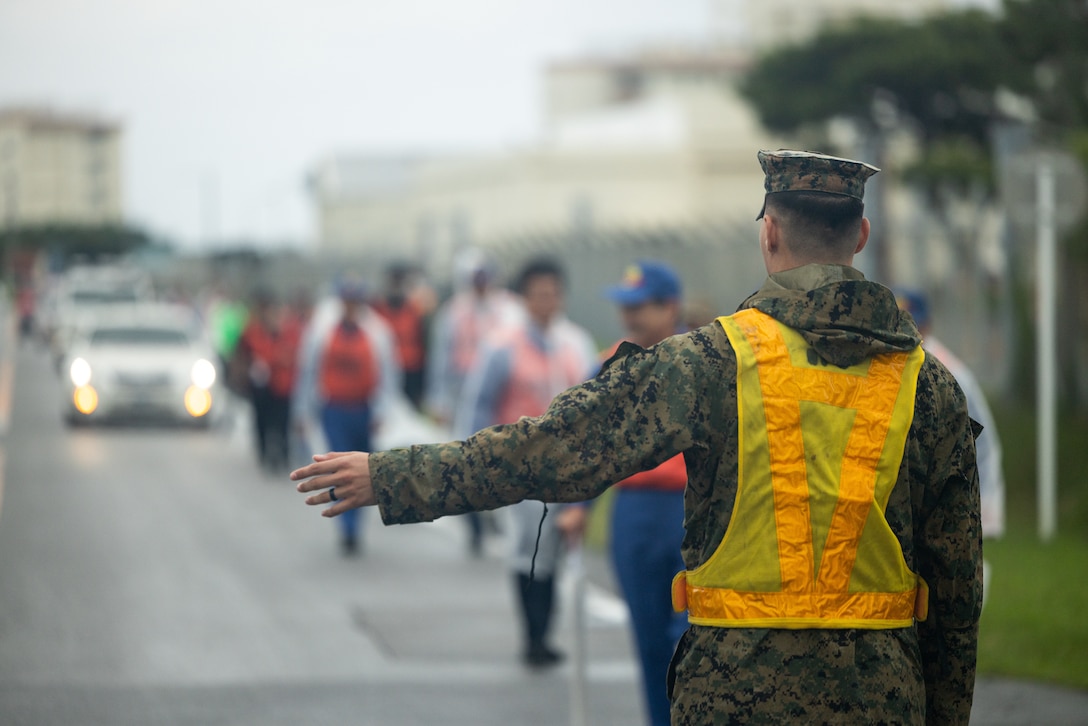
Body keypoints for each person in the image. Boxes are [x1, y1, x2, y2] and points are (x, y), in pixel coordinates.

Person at [294, 150, 983, 724]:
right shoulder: (930, 385)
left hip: (735, 699)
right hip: (884, 700)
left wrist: (390, 476)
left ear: (769, 232)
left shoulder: (709, 361)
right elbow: (956, 589)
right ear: (860, 236)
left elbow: (553, 448)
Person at [456, 257, 597, 666]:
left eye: (553, 292)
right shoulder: (501, 346)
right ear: (523, 297)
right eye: (538, 293)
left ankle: (545, 631)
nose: (546, 301)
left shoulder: (576, 344)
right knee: (526, 549)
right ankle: (532, 635)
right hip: (517, 470)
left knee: (553, 550)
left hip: (566, 470)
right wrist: (474, 464)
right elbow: (478, 406)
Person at [594, 259, 691, 725]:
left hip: (688, 509)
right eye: (625, 307)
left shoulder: (700, 360)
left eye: (641, 307)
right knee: (649, 638)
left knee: (690, 636)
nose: (630, 317)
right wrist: (580, 508)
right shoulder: (612, 365)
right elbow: (585, 442)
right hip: (634, 510)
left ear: (669, 306)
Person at [897, 289, 1005, 603]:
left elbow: (984, 443)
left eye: (914, 323)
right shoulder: (890, 363)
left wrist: (989, 505)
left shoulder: (951, 372)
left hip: (953, 486)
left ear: (927, 324)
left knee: (956, 578)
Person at [293, 277, 400, 555]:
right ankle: (347, 528)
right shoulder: (322, 330)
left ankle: (357, 519)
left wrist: (384, 410)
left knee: (365, 469)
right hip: (335, 409)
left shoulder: (377, 331)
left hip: (364, 410)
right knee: (339, 468)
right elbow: (307, 372)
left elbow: (388, 374)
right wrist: (303, 412)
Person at [425, 249, 522, 554]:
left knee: (498, 456)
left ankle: (496, 512)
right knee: (466, 459)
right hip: (462, 397)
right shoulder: (453, 313)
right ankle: (475, 523)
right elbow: (442, 359)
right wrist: (439, 400)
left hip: (496, 397)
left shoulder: (508, 309)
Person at [235, 290, 302, 473]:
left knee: (282, 423)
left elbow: (294, 356)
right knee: (261, 422)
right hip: (261, 387)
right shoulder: (252, 331)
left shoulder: (289, 332)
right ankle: (264, 454)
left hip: (282, 387)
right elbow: (242, 354)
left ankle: (283, 456)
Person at [372, 264, 429, 411]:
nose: (396, 287)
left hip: (410, 373)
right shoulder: (377, 310)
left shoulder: (414, 311)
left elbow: (422, 345)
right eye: (393, 282)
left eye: (399, 282)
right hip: (384, 374)